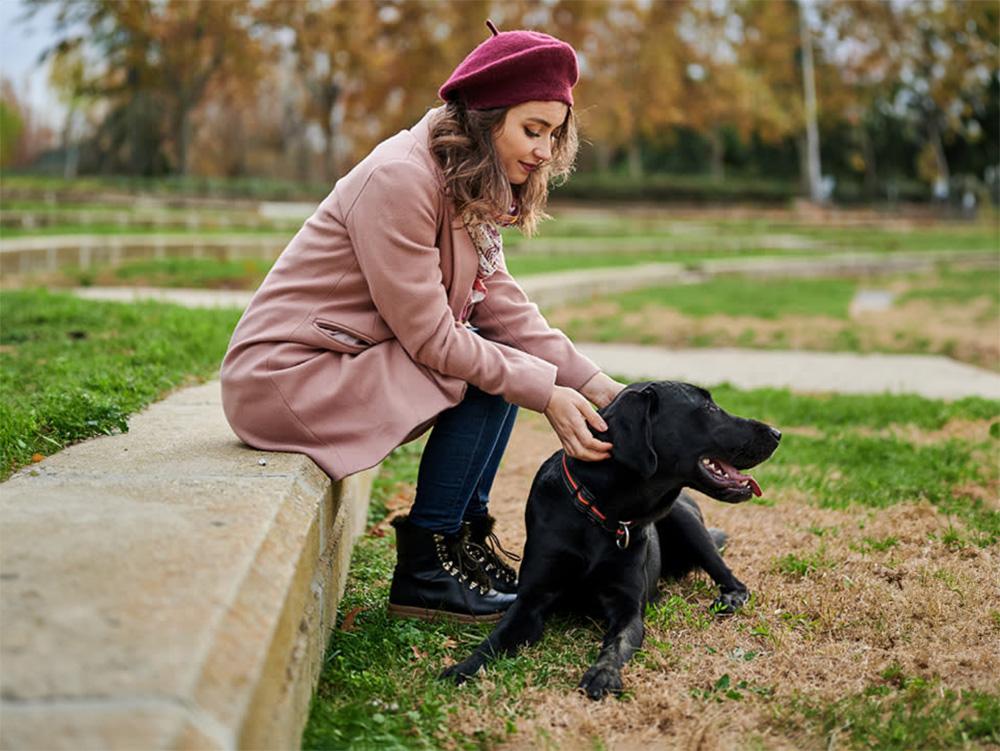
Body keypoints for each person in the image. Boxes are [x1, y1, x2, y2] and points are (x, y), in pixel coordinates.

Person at [219, 21, 625, 623]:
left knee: (506, 360)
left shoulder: (464, 177)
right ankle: (426, 568)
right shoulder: (402, 178)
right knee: (490, 370)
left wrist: (599, 388)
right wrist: (545, 393)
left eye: (553, 134)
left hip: (343, 362)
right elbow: (433, 338)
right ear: (486, 118)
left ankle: (461, 540)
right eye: (531, 129)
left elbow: (503, 307)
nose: (543, 150)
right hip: (286, 379)